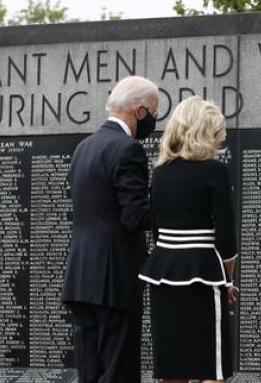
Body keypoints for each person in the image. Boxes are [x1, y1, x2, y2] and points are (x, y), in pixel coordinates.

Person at [61, 76, 159, 383]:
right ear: (139, 111)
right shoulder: (128, 149)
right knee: (119, 373)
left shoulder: (83, 148)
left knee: (90, 375)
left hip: (80, 279)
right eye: (153, 113)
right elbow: (134, 216)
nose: (153, 121)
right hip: (114, 279)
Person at [138, 96, 239, 383]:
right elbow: (226, 236)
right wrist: (228, 281)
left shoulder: (159, 173)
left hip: (163, 274)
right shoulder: (215, 171)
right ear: (205, 131)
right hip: (204, 277)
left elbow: (157, 230)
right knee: (212, 366)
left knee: (173, 365)